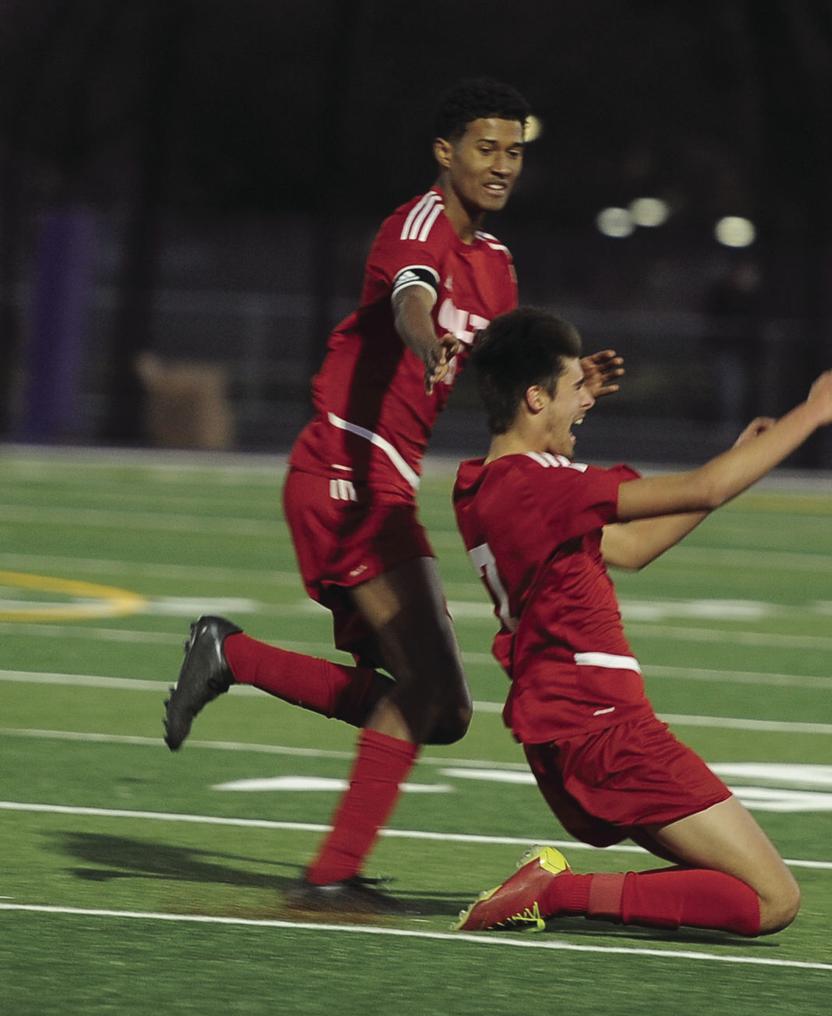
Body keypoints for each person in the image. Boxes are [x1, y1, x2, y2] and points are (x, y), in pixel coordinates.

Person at [161, 79, 624, 914]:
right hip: (345, 470)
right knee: (427, 685)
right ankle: (329, 873)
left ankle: (232, 656)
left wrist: (571, 386)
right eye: (486, 148)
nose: (502, 165)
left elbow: (506, 379)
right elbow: (414, 298)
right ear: (445, 152)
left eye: (515, 151)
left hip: (385, 485)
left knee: (441, 708)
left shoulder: (496, 262)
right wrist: (424, 340)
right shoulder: (415, 227)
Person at [450, 307, 832, 936]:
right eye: (574, 390)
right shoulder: (539, 485)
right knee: (771, 900)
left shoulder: (485, 485)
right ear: (534, 398)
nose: (585, 404)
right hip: (603, 728)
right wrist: (811, 413)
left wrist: (736, 457)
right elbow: (705, 488)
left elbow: (634, 547)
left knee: (732, 884)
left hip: (571, 727)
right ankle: (555, 892)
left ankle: (559, 892)